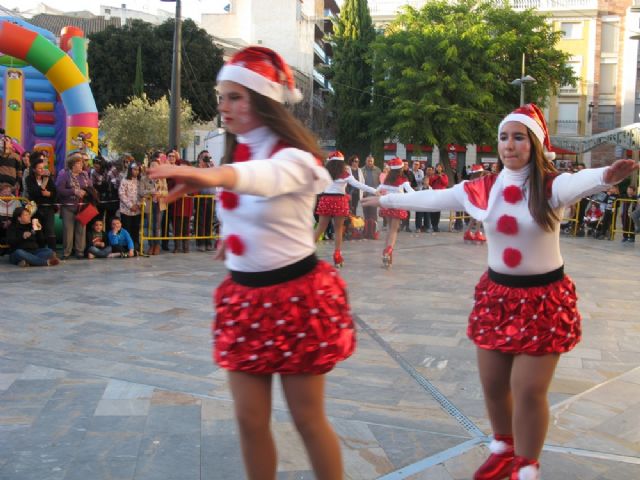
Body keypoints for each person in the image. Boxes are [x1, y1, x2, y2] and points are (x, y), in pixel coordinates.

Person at [363, 103, 638, 479]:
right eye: (504, 137)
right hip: (498, 297)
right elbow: (431, 198)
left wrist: (607, 175)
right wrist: (388, 199)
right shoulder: (481, 188)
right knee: (493, 386)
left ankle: (526, 465)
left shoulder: (551, 185)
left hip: (543, 299)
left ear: (535, 144)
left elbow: (581, 182)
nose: (509, 145)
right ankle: (504, 447)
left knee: (526, 391)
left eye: (519, 137)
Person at [149, 46, 355, 480]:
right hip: (245, 299)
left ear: (264, 100)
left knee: (307, 419)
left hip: (298, 299)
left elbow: (263, 181)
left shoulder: (294, 159)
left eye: (235, 97)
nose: (223, 106)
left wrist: (207, 176)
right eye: (221, 96)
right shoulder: (239, 155)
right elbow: (247, 200)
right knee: (248, 419)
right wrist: (234, 239)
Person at [314, 151, 376, 267]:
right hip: (339, 201)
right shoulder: (345, 173)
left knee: (320, 228)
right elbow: (359, 184)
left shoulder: (324, 173)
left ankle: (308, 254)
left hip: (326, 200)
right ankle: (337, 255)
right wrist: (374, 191)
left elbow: (315, 186)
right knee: (338, 230)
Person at [376, 157, 414, 268]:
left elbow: (377, 190)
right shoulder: (403, 179)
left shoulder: (387, 179)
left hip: (387, 205)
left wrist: (382, 197)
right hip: (397, 205)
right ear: (401, 168)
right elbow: (411, 192)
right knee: (394, 230)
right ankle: (388, 250)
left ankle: (386, 254)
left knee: (389, 229)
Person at [55, 152, 93, 259]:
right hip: (68, 206)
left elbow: (90, 187)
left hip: (83, 206)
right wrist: (74, 191)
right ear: (72, 164)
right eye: (79, 163)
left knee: (81, 229)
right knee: (68, 230)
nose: (81, 165)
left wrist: (86, 192)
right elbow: (59, 189)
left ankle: (79, 252)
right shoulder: (64, 174)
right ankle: (67, 252)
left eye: (82, 163)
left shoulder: (85, 174)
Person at [25, 156, 57, 250]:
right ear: (34, 169)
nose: (42, 170)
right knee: (37, 229)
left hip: (48, 208)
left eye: (43, 167)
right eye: (39, 168)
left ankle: (53, 252)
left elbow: (54, 192)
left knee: (50, 230)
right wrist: (43, 186)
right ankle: (40, 250)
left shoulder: (48, 178)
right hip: (35, 208)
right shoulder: (29, 179)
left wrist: (48, 194)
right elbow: (33, 193)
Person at [118, 162, 143, 254]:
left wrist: (138, 204)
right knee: (126, 229)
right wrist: (130, 205)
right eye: (134, 169)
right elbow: (121, 194)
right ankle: (127, 247)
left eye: (138, 170)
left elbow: (142, 194)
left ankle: (136, 247)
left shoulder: (140, 181)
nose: (136, 171)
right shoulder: (124, 180)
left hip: (137, 210)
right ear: (130, 170)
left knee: (136, 229)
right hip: (126, 210)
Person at [362, 155, 381, 239]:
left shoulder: (378, 170)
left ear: (373, 162)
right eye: (368, 161)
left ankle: (374, 232)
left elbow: (381, 182)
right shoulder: (361, 170)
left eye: (371, 161)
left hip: (374, 195)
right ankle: (367, 232)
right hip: (365, 195)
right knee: (366, 214)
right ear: (366, 161)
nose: (370, 162)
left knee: (373, 214)